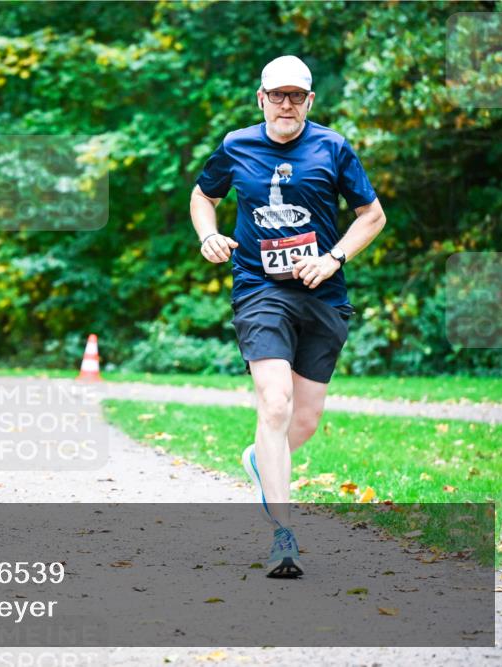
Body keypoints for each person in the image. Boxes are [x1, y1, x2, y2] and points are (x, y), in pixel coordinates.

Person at [190, 55, 386, 577]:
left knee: (304, 419)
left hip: (322, 293)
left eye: (295, 96)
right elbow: (202, 195)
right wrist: (208, 234)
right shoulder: (237, 145)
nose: (286, 104)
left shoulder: (332, 147)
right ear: (261, 98)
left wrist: (333, 257)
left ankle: (261, 458)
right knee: (274, 405)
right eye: (277, 95)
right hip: (260, 288)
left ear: (309, 101)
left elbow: (373, 215)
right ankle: (283, 535)